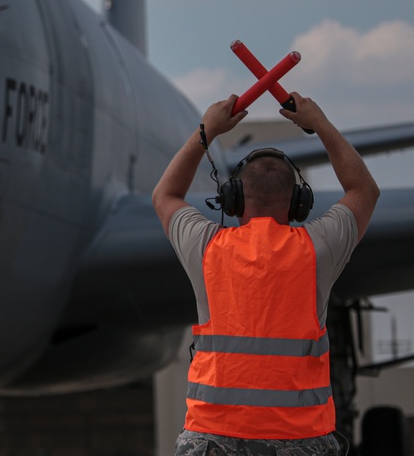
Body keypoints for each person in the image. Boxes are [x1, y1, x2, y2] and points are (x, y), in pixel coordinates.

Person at [152, 92, 380, 455]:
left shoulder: (207, 248)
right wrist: (318, 123)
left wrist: (206, 131)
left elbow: (165, 194)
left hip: (213, 440)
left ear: (234, 199)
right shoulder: (316, 250)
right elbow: (364, 190)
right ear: (298, 204)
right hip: (302, 441)